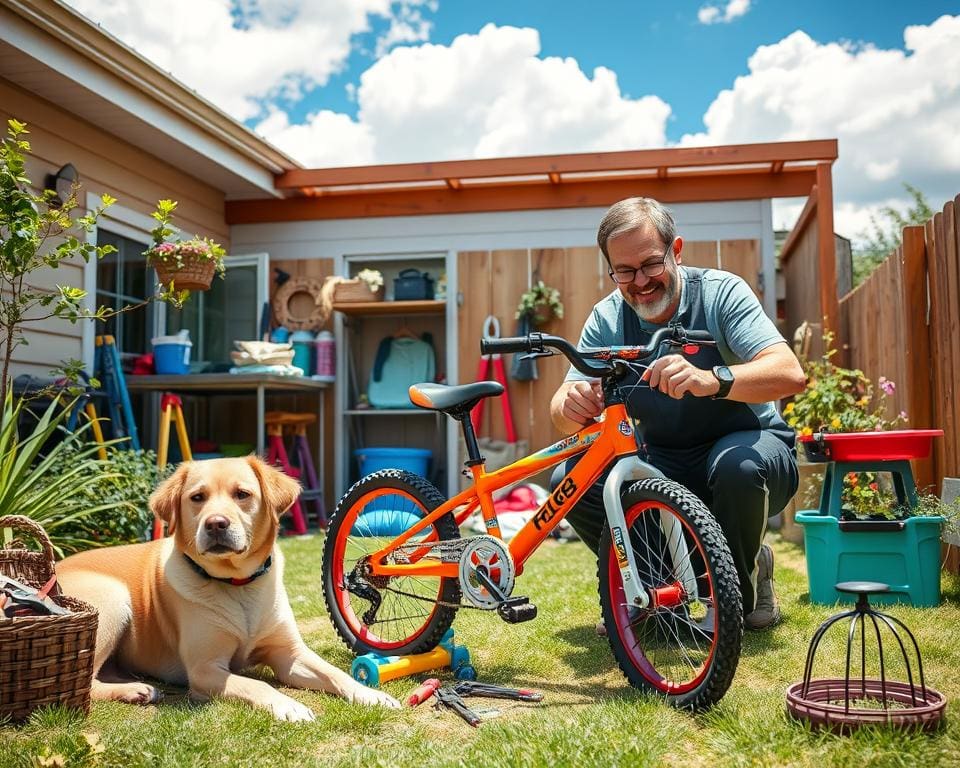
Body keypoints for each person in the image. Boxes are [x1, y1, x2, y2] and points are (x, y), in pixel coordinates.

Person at [550, 197, 806, 631]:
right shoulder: (607, 318)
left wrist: (712, 379)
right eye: (624, 271)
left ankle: (734, 591)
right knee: (569, 481)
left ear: (677, 250)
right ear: (610, 270)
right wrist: (570, 403)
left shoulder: (721, 294)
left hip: (751, 456)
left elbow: (789, 373)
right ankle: (650, 592)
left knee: (736, 467)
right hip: (661, 464)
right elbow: (561, 406)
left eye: (651, 264)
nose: (641, 282)